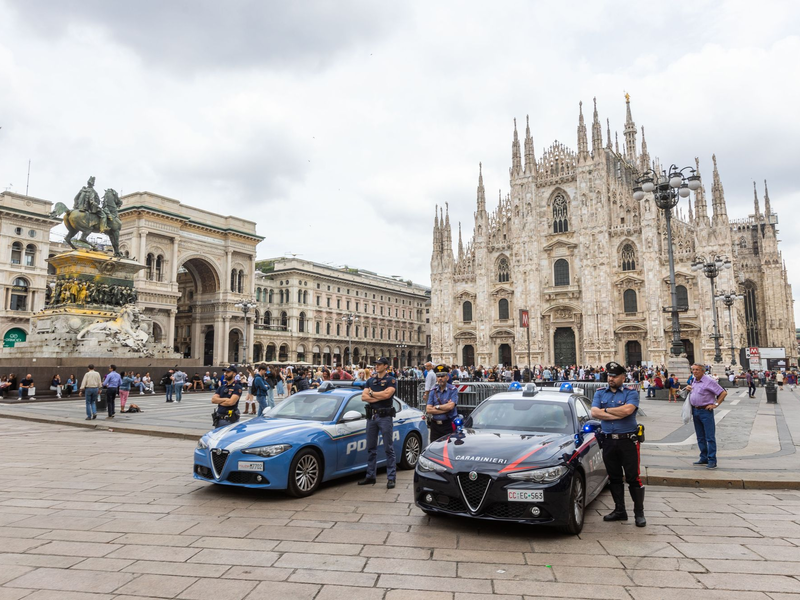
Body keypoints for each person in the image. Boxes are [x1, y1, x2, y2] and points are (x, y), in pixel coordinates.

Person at [591, 361, 646, 527]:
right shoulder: (600, 393)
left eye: (614, 376)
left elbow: (628, 411)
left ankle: (639, 513)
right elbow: (594, 412)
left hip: (628, 441)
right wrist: (616, 413)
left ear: (623, 377)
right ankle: (620, 510)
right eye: (609, 375)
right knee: (614, 477)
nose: (611, 378)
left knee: (633, 478)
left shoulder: (631, 393)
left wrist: (605, 412)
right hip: (608, 441)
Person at [359, 357, 397, 489]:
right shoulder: (370, 380)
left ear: (386, 366)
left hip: (385, 416)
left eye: (380, 364)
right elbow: (364, 397)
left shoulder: (390, 380)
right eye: (376, 364)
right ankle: (370, 476)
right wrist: (377, 395)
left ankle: (391, 478)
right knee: (371, 448)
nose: (377, 366)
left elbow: (388, 395)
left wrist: (372, 393)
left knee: (388, 448)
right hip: (372, 417)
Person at [685, 363, 727, 469]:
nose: (694, 372)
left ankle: (712, 459)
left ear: (703, 371)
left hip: (705, 411)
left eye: (697, 370)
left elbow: (723, 393)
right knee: (700, 437)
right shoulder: (694, 380)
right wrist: (689, 389)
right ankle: (703, 457)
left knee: (710, 437)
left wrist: (715, 404)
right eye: (693, 370)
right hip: (696, 410)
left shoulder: (709, 381)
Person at [426, 365, 458, 443]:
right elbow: (428, 409)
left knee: (448, 448)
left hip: (447, 424)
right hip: (435, 426)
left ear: (447, 377)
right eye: (438, 376)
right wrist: (444, 408)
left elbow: (451, 406)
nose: (440, 378)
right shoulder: (433, 391)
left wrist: (436, 407)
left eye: (442, 376)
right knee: (434, 448)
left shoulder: (452, 390)